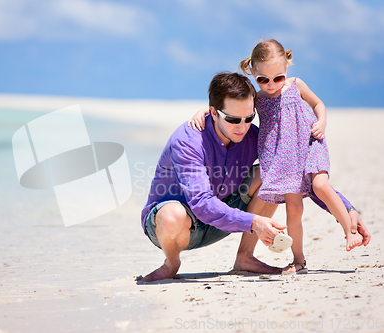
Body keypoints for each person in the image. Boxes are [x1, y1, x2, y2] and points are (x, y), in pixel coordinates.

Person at [141, 72, 370, 282]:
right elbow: (201, 204)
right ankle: (171, 263)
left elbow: (299, 177)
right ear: (213, 112)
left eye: (248, 118)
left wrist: (346, 211)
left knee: (272, 172)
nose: (242, 127)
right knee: (173, 215)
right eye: (233, 120)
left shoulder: (252, 136)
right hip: (173, 227)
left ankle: (245, 258)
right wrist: (254, 222)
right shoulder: (188, 140)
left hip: (223, 216)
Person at [188, 40, 366, 274]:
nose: (271, 85)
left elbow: (318, 104)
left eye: (278, 78)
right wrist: (203, 111)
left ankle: (349, 231)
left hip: (309, 144)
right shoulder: (256, 97)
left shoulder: (296, 85)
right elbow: (228, 104)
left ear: (287, 68)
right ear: (252, 72)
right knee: (294, 210)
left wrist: (321, 122)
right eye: (263, 79)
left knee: (320, 185)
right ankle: (299, 260)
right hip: (282, 156)